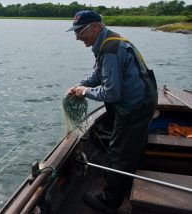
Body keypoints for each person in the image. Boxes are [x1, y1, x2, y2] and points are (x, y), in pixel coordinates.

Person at [66, 10, 158, 212]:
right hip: (146, 98)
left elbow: (111, 93)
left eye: (80, 31)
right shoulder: (109, 41)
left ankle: (110, 200)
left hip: (136, 105)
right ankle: (131, 176)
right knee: (133, 144)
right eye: (75, 32)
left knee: (118, 152)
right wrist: (82, 85)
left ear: (96, 27)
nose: (77, 37)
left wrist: (86, 92)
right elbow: (99, 73)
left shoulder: (110, 49)